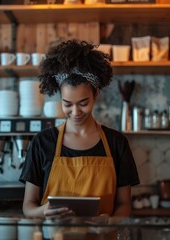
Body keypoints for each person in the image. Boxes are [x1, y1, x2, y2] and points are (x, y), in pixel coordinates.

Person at [19, 39, 139, 219]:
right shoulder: (43, 142)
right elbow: (28, 206)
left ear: (96, 94)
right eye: (67, 104)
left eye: (84, 103)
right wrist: (44, 211)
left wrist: (111, 222)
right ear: (60, 97)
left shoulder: (117, 142)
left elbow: (124, 204)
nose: (75, 112)